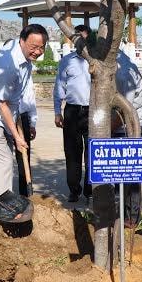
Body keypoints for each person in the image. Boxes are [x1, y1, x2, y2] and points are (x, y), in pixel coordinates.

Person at [0, 25, 48, 197]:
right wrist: (17, 136)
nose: (37, 51)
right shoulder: (8, 64)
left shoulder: (22, 56)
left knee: (2, 162)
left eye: (41, 47)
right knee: (2, 162)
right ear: (21, 41)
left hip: (3, 115)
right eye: (33, 47)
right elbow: (2, 103)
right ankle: (5, 207)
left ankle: (4, 201)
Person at [53, 25, 92, 203]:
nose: (81, 42)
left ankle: (91, 189)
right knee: (72, 152)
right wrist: (57, 112)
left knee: (92, 152)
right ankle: (74, 190)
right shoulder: (67, 61)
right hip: (72, 111)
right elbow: (59, 87)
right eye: (78, 39)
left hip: (94, 112)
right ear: (73, 40)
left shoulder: (97, 60)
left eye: (84, 38)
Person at [115, 49, 142, 227]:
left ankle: (132, 216)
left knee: (131, 170)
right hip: (122, 123)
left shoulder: (123, 72)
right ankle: (119, 213)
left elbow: (125, 108)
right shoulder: (116, 65)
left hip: (133, 124)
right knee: (119, 171)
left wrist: (103, 129)